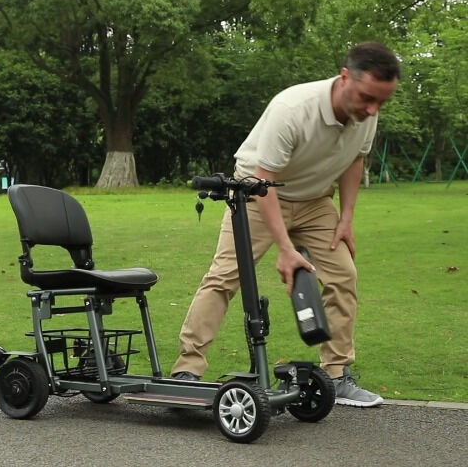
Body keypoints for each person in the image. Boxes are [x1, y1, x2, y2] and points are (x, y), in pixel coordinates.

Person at [171, 41, 401, 408]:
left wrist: (346, 218)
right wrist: (286, 249)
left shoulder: (366, 114)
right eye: (367, 98)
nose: (373, 109)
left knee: (343, 276)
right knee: (225, 276)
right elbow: (265, 181)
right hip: (253, 194)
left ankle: (337, 376)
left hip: (314, 202)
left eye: (381, 102)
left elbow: (355, 160)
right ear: (345, 78)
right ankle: (187, 371)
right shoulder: (293, 108)